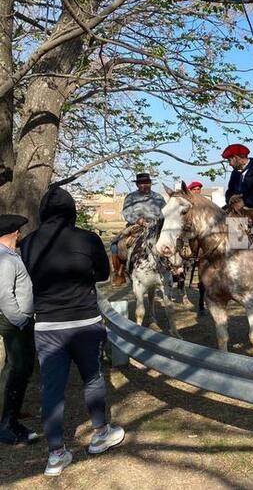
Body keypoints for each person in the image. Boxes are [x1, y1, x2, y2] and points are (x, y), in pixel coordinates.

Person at [21, 186, 125, 477]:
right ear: (71, 211)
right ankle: (101, 432)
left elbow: (30, 277)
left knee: (52, 389)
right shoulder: (87, 239)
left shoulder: (28, 243)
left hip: (47, 325)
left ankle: (55, 454)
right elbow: (104, 274)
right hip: (84, 322)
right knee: (92, 378)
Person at [0, 214, 39, 445]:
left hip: (15, 320)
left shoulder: (9, 255)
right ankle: (7, 425)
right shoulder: (5, 259)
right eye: (19, 232)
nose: (21, 235)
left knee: (14, 369)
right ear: (14, 233)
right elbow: (4, 295)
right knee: (19, 369)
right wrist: (21, 319)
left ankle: (8, 416)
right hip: (14, 321)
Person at [110, 173, 166, 285]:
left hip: (156, 227)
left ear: (150, 184)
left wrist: (159, 222)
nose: (144, 185)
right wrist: (137, 220)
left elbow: (165, 212)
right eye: (141, 183)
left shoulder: (158, 197)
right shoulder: (131, 197)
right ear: (137, 185)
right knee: (115, 246)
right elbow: (126, 212)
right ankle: (119, 272)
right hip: (136, 227)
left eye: (147, 183)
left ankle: (174, 270)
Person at [223, 143, 253, 211]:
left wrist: (244, 202)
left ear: (236, 158)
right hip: (236, 208)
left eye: (229, 160)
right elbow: (230, 190)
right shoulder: (234, 173)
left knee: (234, 221)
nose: (230, 164)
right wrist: (230, 198)